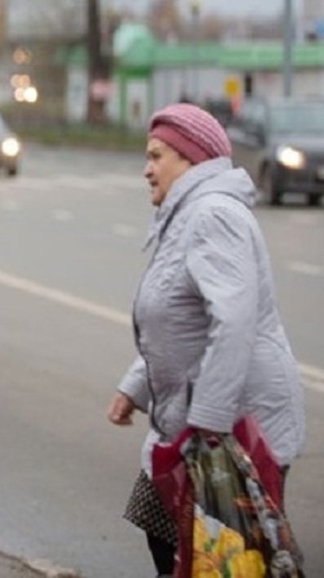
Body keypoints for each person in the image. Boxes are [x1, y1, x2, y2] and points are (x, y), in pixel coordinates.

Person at [106, 102, 305, 577]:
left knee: (226, 561)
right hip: (194, 424)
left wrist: (210, 426)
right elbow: (177, 318)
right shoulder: (187, 214)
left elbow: (233, 322)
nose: (146, 170)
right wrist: (133, 386)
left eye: (157, 157)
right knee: (178, 543)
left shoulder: (213, 216)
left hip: (233, 430)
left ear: (191, 159)